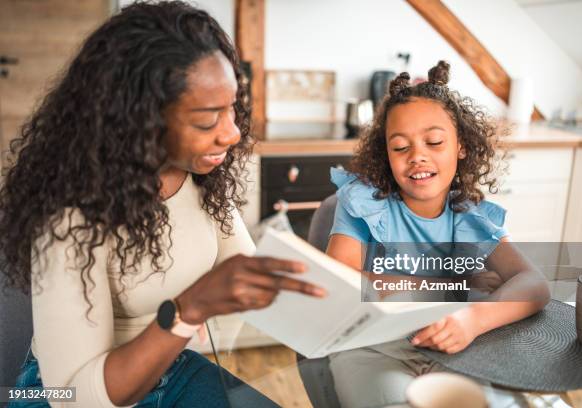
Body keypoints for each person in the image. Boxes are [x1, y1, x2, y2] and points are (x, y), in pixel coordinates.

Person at [0, 2, 326, 407]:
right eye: (207, 121)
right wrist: (188, 310)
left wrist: (381, 298)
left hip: (168, 369)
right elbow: (76, 397)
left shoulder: (202, 180)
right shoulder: (71, 214)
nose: (230, 133)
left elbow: (251, 273)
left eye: (233, 109)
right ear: (138, 119)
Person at [325, 61, 551, 408]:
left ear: (461, 146)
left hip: (455, 342)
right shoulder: (363, 203)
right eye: (400, 147)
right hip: (370, 347)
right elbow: (339, 281)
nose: (417, 156)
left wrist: (473, 320)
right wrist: (449, 287)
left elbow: (534, 284)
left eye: (433, 142)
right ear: (386, 154)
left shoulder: (470, 216)